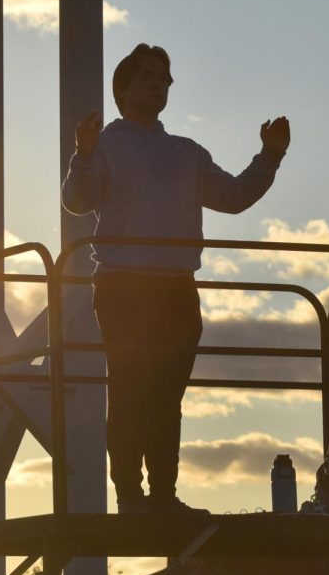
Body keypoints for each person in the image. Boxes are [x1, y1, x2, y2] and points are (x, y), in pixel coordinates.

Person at [61, 43, 290, 515]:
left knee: (168, 395)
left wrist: (269, 156)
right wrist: (83, 154)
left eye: (164, 79)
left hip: (176, 287)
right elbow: (79, 202)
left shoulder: (188, 153)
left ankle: (162, 495)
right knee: (129, 386)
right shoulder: (104, 145)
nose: (159, 85)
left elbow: (232, 196)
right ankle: (130, 496)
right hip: (123, 283)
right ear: (123, 88)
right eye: (148, 77)